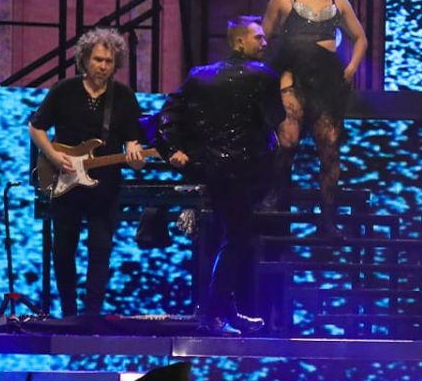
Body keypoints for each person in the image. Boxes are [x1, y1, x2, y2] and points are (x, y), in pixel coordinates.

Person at [154, 19, 286, 334]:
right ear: (239, 43)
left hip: (208, 169)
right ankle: (215, 309)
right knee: (237, 237)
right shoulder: (263, 76)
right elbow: (275, 117)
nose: (264, 43)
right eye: (258, 38)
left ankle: (219, 311)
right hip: (242, 170)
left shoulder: (200, 76)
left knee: (221, 238)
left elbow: (168, 115)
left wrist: (171, 149)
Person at [28, 28, 146, 321]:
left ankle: (91, 316)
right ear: (84, 59)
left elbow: (133, 139)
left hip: (105, 188)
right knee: (64, 250)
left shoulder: (124, 97)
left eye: (108, 61)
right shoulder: (64, 90)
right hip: (65, 184)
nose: (103, 66)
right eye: (98, 59)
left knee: (101, 251)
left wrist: (134, 153)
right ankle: (68, 314)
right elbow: (35, 126)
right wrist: (54, 156)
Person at [262, 0, 368, 237]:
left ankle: (328, 217)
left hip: (326, 79)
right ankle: (277, 198)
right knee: (287, 142)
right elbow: (263, 38)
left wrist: (352, 68)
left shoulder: (339, 3)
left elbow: (360, 38)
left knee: (329, 149)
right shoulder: (284, 1)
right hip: (291, 73)